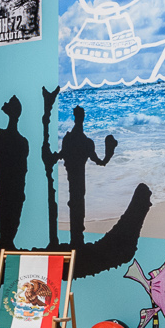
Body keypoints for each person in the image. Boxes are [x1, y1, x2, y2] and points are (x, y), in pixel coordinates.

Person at [54, 106, 116, 249]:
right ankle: (77, 237)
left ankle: (76, 237)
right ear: (82, 117)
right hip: (77, 177)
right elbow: (101, 161)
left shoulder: (71, 139)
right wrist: (109, 153)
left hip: (74, 177)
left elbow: (60, 155)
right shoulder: (84, 141)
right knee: (77, 202)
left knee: (76, 202)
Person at [0, 97, 30, 254]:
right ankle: (5, 242)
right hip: (8, 183)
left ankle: (6, 242)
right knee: (8, 211)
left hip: (9, 182)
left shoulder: (3, 137)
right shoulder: (6, 138)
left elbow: (22, 168)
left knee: (9, 211)